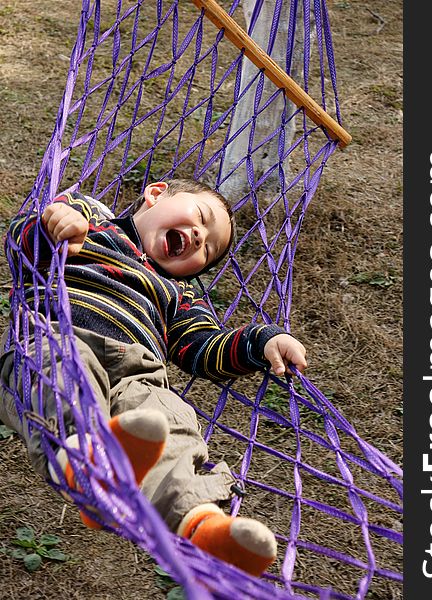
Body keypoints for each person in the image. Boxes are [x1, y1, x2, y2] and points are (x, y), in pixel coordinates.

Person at [0, 178, 307, 577]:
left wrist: (261, 341)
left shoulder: (179, 293)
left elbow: (204, 349)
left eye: (209, 249)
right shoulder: (92, 223)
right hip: (58, 335)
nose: (199, 237)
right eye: (200, 218)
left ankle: (201, 525)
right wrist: (55, 225)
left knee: (168, 419)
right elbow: (21, 246)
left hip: (138, 372)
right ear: (156, 194)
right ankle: (89, 467)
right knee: (61, 374)